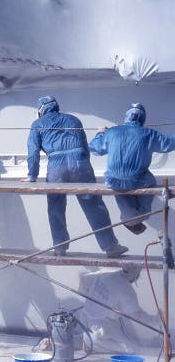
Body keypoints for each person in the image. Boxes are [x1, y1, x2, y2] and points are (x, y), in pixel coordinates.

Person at [22, 96, 127, 258]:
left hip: (56, 166)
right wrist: (84, 167)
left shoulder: (37, 125)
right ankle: (111, 247)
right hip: (80, 163)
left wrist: (32, 175)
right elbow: (84, 147)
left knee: (55, 206)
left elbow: (33, 152)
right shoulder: (74, 120)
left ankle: (60, 247)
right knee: (94, 204)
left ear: (41, 109)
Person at [89, 102, 175, 234]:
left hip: (113, 180)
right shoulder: (149, 134)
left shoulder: (111, 132)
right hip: (139, 180)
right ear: (143, 118)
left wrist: (101, 133)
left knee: (121, 188)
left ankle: (130, 219)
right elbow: (169, 144)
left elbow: (94, 148)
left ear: (126, 116)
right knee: (148, 188)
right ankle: (136, 218)